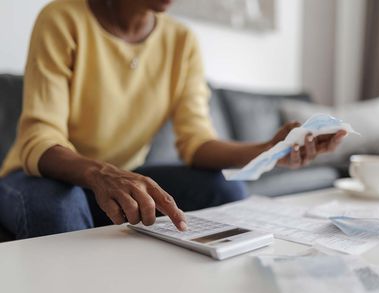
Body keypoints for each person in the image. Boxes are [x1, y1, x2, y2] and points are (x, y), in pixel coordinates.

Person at [0, 0, 345, 239]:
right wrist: (101, 173)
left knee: (225, 188)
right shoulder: (62, 18)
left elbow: (196, 143)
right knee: (60, 206)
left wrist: (269, 149)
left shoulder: (181, 42)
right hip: (45, 174)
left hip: (124, 178)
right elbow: (40, 137)